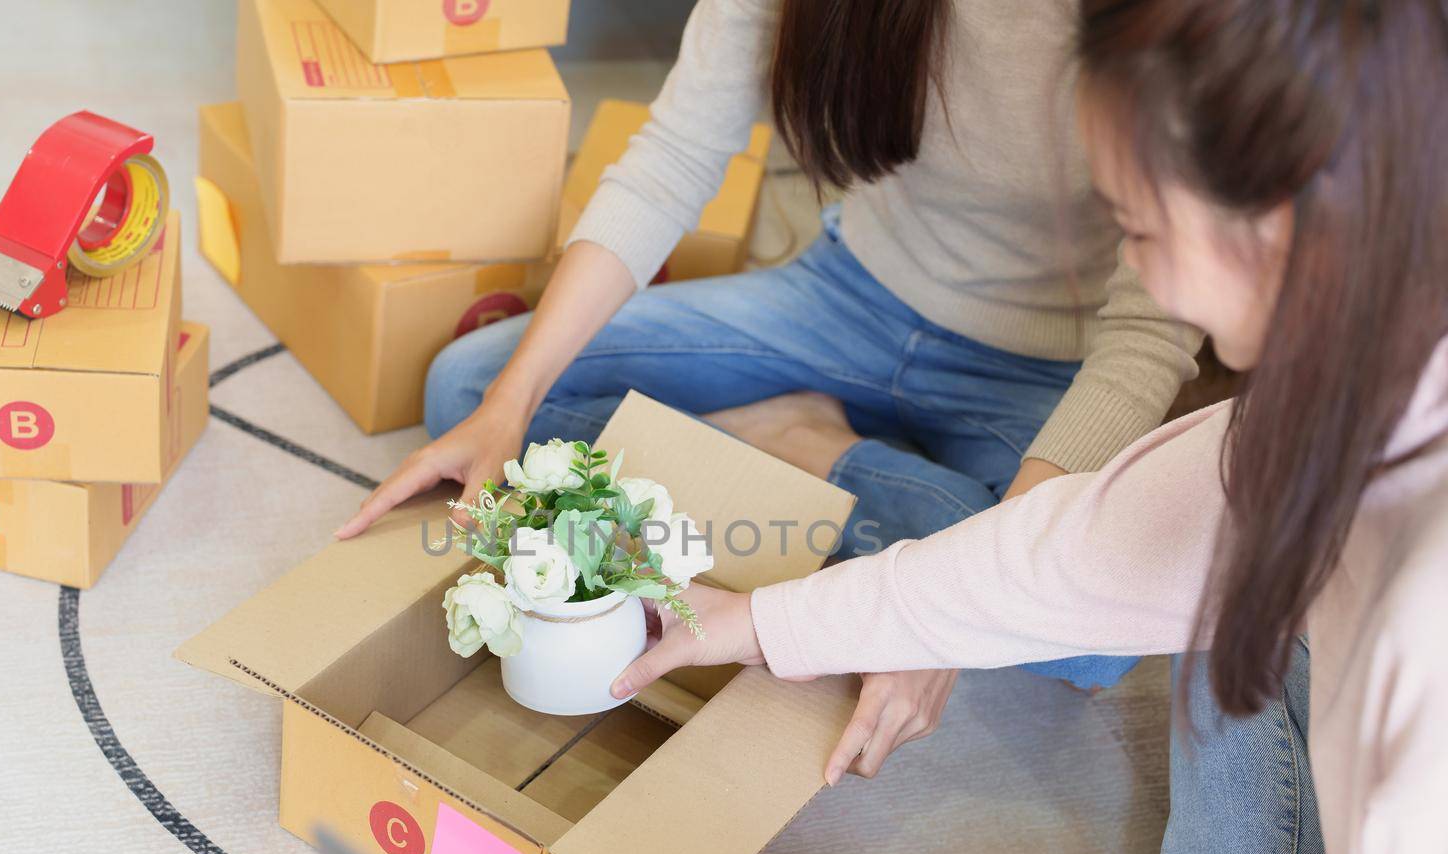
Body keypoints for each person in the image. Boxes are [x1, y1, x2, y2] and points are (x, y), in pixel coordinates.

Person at [608, 0, 1448, 854]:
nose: (1137, 268)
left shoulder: (1429, 616)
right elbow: (1079, 548)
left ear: (1271, 221)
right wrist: (757, 623)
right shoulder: (1343, 390)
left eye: (1136, 228)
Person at [336, 0, 1202, 710]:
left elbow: (1149, 335)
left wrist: (943, 613)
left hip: (1051, 370)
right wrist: (512, 403)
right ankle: (892, 498)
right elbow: (673, 156)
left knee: (1093, 637)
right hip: (845, 295)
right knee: (472, 388)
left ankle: (808, 448)